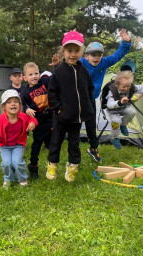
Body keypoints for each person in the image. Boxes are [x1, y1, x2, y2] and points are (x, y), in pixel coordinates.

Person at [50, 29, 131, 163]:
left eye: (99, 55)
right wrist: (57, 65)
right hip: (74, 102)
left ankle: (94, 148)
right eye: (93, 55)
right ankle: (58, 148)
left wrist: (126, 43)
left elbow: (117, 56)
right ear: (86, 56)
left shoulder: (104, 62)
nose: (96, 58)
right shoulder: (80, 62)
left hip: (89, 101)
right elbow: (66, 67)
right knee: (71, 126)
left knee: (91, 126)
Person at [47, 30, 94, 182]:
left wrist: (87, 105)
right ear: (63, 52)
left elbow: (89, 89)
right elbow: (52, 93)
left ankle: (73, 165)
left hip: (77, 117)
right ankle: (52, 164)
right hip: (61, 117)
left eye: (76, 50)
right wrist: (59, 109)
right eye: (69, 51)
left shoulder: (83, 70)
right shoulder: (59, 71)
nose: (73, 54)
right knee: (56, 141)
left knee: (75, 143)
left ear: (82, 52)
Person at [0, 89, 38, 187]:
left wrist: (33, 122)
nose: (13, 104)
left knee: (17, 162)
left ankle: (22, 178)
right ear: (3, 107)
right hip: (4, 146)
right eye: (9, 102)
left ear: (20, 106)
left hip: (18, 145)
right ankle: (8, 178)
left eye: (16, 102)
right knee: (7, 163)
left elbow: (33, 119)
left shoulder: (23, 117)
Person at [105, 71, 143, 149]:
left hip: (124, 108)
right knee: (116, 121)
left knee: (131, 111)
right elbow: (110, 105)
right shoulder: (112, 92)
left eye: (128, 86)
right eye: (123, 87)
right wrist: (119, 102)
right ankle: (115, 138)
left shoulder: (132, 88)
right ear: (116, 85)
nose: (126, 89)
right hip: (113, 111)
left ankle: (123, 125)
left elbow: (142, 88)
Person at [20, 62, 52, 179]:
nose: (34, 76)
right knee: (37, 144)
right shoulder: (24, 92)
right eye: (30, 74)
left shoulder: (44, 82)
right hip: (38, 121)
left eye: (36, 73)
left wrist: (56, 65)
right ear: (25, 78)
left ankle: (52, 164)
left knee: (53, 142)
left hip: (50, 117)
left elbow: (58, 76)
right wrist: (27, 109)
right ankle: (33, 165)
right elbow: (21, 105)